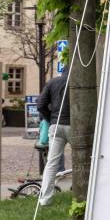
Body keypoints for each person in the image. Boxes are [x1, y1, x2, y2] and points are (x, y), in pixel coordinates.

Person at [36, 70, 70, 206]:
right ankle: (86, 194)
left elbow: (40, 104)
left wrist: (50, 119)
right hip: (75, 126)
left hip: (55, 125)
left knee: (51, 163)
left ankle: (45, 199)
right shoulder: (79, 81)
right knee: (84, 160)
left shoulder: (52, 82)